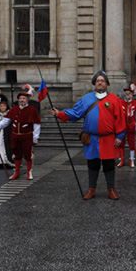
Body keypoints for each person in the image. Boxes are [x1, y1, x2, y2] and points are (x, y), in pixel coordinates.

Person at [52, 71, 126, 200]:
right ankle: (92, 190)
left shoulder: (114, 99)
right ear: (94, 83)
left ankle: (111, 190)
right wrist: (60, 114)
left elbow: (120, 119)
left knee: (109, 165)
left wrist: (119, 136)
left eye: (102, 80)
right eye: (98, 81)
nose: (100, 82)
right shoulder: (87, 99)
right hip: (91, 139)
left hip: (108, 139)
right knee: (93, 165)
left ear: (107, 83)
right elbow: (75, 113)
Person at [0, 86, 41, 180]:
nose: (22, 100)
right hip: (15, 137)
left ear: (27, 100)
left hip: (26, 137)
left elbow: (37, 124)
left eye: (24, 98)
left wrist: (35, 137)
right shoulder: (14, 109)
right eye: (20, 98)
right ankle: (16, 172)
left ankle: (29, 172)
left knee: (28, 155)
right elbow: (5, 122)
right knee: (16, 155)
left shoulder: (32, 110)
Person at [117, 84, 136, 168]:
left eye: (129, 93)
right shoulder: (120, 103)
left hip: (131, 125)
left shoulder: (135, 104)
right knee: (121, 142)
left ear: (132, 94)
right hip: (122, 125)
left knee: (132, 143)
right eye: (126, 93)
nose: (128, 95)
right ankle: (122, 159)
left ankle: (131, 159)